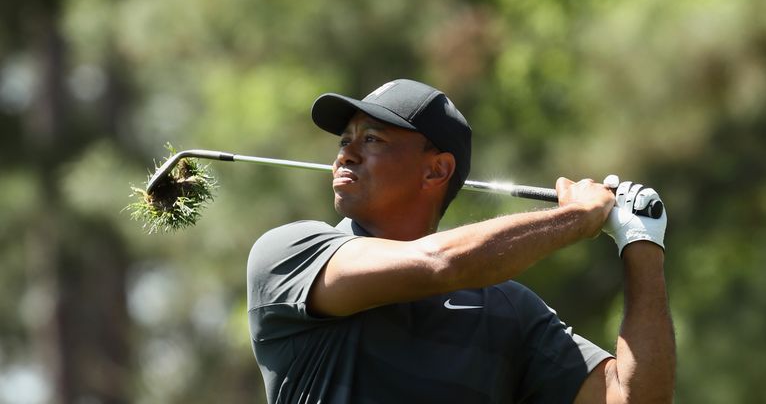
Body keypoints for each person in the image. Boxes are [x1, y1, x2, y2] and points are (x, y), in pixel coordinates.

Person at [247, 79, 675, 403]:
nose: (346, 154)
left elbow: (634, 398)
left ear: (436, 171)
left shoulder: (510, 311)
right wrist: (576, 217)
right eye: (345, 140)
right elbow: (439, 264)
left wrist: (641, 243)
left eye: (372, 139)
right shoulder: (293, 254)